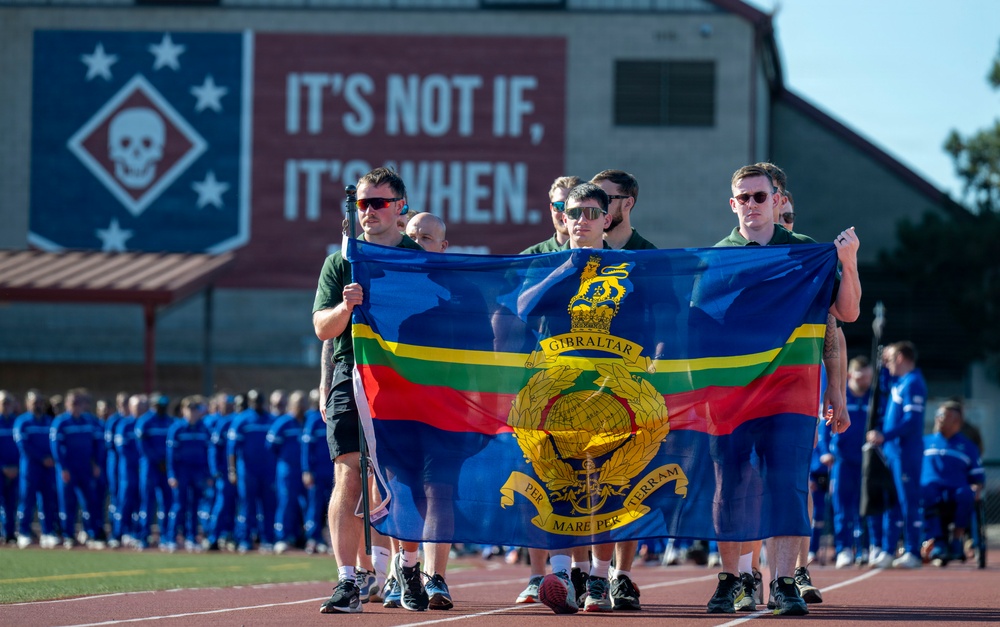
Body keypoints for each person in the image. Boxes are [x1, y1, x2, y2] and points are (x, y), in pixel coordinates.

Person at [708, 164, 859, 616]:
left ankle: (786, 582)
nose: (751, 205)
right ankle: (732, 579)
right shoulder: (718, 256)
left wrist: (847, 263)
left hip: (791, 393)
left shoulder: (807, 254)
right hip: (733, 394)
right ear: (733, 204)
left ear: (777, 200)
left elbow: (845, 315)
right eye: (744, 198)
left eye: (760, 196)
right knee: (730, 485)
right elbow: (698, 329)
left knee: (788, 486)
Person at [314, 166, 424, 614]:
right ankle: (348, 580)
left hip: (406, 377)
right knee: (348, 471)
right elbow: (322, 327)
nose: (368, 212)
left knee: (403, 475)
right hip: (352, 372)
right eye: (362, 203)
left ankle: (411, 568)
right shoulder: (342, 260)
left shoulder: (419, 258)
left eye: (378, 203)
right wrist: (347, 305)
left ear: (399, 207)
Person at [534, 183, 619, 615]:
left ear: (607, 218)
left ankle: (601, 579)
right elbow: (520, 309)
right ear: (562, 218)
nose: (581, 220)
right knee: (558, 487)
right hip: (558, 396)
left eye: (590, 212)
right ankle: (565, 573)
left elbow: (657, 324)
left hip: (613, 396)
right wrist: (561, 268)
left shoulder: (628, 267)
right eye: (573, 213)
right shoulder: (545, 265)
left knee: (606, 491)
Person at [865, 341, 926, 569]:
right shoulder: (899, 383)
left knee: (908, 501)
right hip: (893, 453)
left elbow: (912, 421)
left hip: (905, 453)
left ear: (900, 358)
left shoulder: (913, 383)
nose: (887, 364)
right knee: (892, 501)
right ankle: (888, 549)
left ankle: (912, 550)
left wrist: (884, 435)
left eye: (890, 359)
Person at [822, 356, 873, 569]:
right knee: (842, 506)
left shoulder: (874, 397)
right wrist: (825, 452)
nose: (866, 382)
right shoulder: (841, 397)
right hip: (842, 460)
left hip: (867, 461)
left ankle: (865, 548)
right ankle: (843, 548)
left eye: (869, 377)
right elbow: (824, 425)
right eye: (861, 377)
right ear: (851, 375)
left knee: (866, 506)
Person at [920, 400, 985, 565]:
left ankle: (957, 540)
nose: (938, 418)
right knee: (925, 491)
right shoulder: (924, 442)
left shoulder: (968, 446)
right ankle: (938, 543)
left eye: (944, 415)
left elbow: (977, 478)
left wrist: (976, 488)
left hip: (956, 491)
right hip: (930, 490)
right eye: (938, 414)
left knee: (966, 494)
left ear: (957, 422)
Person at [49, 388, 106, 549]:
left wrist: (96, 464)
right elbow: (56, 448)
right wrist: (63, 468)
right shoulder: (61, 422)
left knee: (90, 502)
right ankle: (68, 535)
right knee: (68, 503)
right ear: (67, 404)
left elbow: (98, 445)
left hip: (86, 468)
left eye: (80, 403)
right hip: (69, 469)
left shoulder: (89, 421)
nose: (77, 406)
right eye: (74, 403)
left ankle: (91, 534)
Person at [227, 389, 277, 553]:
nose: (258, 404)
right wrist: (232, 470)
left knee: (267, 505)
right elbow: (231, 449)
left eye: (260, 400)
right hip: (247, 471)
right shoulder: (242, 420)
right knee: (247, 506)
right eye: (255, 401)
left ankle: (267, 539)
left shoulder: (271, 420)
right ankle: (245, 539)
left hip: (267, 470)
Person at [164, 395, 212, 552]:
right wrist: (172, 474)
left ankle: (192, 537)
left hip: (198, 472)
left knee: (195, 506)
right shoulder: (176, 429)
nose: (192, 413)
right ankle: (171, 538)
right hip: (182, 471)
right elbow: (170, 455)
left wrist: (208, 474)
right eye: (189, 409)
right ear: (183, 411)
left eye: (195, 410)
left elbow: (207, 453)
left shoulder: (204, 428)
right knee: (179, 505)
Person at [13, 390, 59, 549]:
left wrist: (52, 458)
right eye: (34, 402)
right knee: (27, 501)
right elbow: (23, 445)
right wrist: (42, 458)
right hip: (31, 468)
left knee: (48, 501)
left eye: (40, 402)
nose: (38, 405)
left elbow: (55, 442)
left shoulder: (49, 421)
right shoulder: (22, 422)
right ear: (28, 403)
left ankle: (47, 533)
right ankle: (24, 533)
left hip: (48, 469)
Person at [267, 389, 309, 554]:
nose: (302, 406)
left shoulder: (308, 422)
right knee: (286, 503)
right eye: (299, 403)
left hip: (306, 470)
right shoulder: (283, 423)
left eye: (304, 403)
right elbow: (271, 446)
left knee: (307, 505)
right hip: (288, 470)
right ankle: (282, 538)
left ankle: (303, 538)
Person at [134, 393, 176, 550]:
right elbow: (143, 446)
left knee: (167, 502)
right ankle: (143, 536)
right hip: (150, 468)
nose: (162, 409)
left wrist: (167, 462)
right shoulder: (145, 421)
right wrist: (158, 460)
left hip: (166, 468)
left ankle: (165, 536)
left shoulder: (170, 421)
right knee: (148, 502)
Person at [589, 169, 656, 250]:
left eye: (605, 199)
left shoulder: (648, 254)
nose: (596, 207)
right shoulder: (582, 249)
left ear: (628, 204)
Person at [114, 394, 148, 548]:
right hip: (129, 471)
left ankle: (138, 533)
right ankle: (119, 533)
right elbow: (122, 449)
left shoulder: (147, 423)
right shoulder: (125, 425)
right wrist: (139, 461)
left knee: (142, 502)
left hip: (145, 470)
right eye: (137, 406)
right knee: (125, 501)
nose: (140, 409)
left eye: (143, 406)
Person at [521, 176, 581, 254]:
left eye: (572, 207)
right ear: (551, 208)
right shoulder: (530, 257)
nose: (565, 213)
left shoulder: (599, 255)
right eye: (559, 206)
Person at [0, 390, 19, 545]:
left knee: (11, 503)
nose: (6, 406)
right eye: (3, 403)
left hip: (16, 470)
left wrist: (16, 467)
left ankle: (10, 533)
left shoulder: (16, 422)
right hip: (1, 469)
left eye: (8, 403)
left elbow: (23, 446)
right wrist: (3, 467)